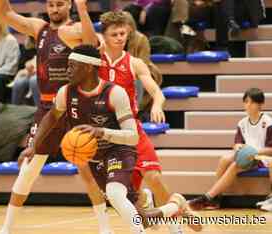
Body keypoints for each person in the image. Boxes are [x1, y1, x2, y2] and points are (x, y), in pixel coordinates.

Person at [27, 44, 193, 233]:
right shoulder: (65, 92)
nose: (67, 70)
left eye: (73, 65)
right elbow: (50, 118)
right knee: (142, 217)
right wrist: (34, 145)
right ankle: (173, 206)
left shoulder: (115, 93)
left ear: (88, 67)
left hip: (119, 150)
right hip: (94, 157)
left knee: (115, 194)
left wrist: (102, 132)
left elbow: (132, 137)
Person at [62, 11, 202, 234]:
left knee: (154, 177)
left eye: (123, 33)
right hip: (104, 135)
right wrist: (81, 8)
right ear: (104, 36)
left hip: (129, 129)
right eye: (114, 34)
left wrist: (157, 104)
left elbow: (157, 92)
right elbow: (70, 40)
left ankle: (176, 224)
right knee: (135, 212)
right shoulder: (94, 60)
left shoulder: (133, 63)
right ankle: (169, 204)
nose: (120, 37)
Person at [0, 0, 99, 233]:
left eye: (59, 4)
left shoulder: (74, 30)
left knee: (87, 170)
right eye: (50, 4)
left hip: (74, 106)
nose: (54, 9)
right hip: (45, 109)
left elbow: (92, 46)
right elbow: (4, 13)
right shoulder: (38, 28)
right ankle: (6, 228)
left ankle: (105, 227)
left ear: (69, 6)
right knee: (28, 168)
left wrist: (83, 9)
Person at [189, 88, 272, 211]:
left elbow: (270, 149)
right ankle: (216, 198)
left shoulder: (268, 122)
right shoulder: (242, 123)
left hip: (262, 157)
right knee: (224, 159)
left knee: (234, 166)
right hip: (247, 156)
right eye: (246, 102)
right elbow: (237, 144)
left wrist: (253, 152)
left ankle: (209, 197)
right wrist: (238, 148)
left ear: (260, 104)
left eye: (251, 102)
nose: (248, 105)